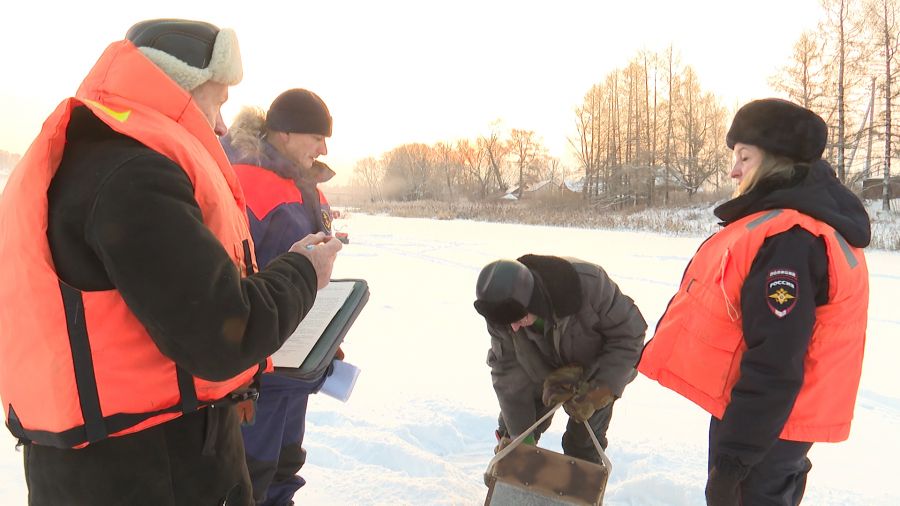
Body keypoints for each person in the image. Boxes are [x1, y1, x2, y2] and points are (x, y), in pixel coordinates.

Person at [0, 19, 341, 506]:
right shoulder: (133, 172)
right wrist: (305, 269)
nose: (223, 125)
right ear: (177, 86)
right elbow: (225, 331)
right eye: (218, 100)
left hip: (104, 461)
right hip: (152, 470)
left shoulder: (93, 154)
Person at [637, 98, 870, 506]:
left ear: (777, 162)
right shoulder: (789, 226)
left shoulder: (790, 241)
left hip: (766, 428)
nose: (734, 170)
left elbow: (777, 359)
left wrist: (734, 460)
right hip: (765, 421)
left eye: (744, 156)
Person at [220, 89, 336, 505]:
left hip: (295, 360)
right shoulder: (243, 179)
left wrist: (327, 333)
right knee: (250, 477)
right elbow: (227, 271)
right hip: (258, 365)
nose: (323, 148)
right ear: (283, 132)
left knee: (286, 468)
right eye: (315, 137)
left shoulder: (305, 185)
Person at [473, 255, 647, 464]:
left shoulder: (590, 285)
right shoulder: (501, 310)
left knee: (582, 445)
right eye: (507, 322)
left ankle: (581, 490)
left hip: (597, 372)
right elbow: (508, 371)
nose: (514, 328)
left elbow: (630, 336)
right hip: (539, 372)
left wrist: (599, 391)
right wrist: (523, 441)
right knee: (514, 440)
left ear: (532, 299)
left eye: (518, 319)